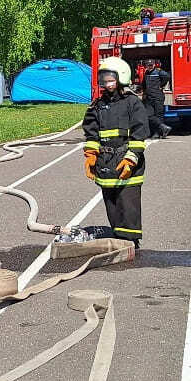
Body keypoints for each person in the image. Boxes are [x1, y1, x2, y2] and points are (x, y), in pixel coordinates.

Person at [83, 57, 149, 247]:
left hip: (127, 161)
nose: (107, 84)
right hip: (105, 163)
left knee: (128, 203)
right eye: (103, 80)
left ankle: (131, 242)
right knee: (111, 203)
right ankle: (118, 238)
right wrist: (91, 155)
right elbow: (91, 132)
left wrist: (131, 159)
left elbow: (140, 132)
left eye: (110, 80)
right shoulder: (97, 105)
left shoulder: (132, 103)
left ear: (121, 78)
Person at [141, 60, 172, 139]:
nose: (150, 67)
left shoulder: (159, 72)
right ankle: (163, 128)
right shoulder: (146, 73)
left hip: (158, 97)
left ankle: (158, 133)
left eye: (151, 65)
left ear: (154, 65)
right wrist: (143, 93)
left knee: (159, 115)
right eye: (148, 65)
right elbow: (144, 84)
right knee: (148, 115)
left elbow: (167, 76)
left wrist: (162, 85)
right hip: (149, 97)